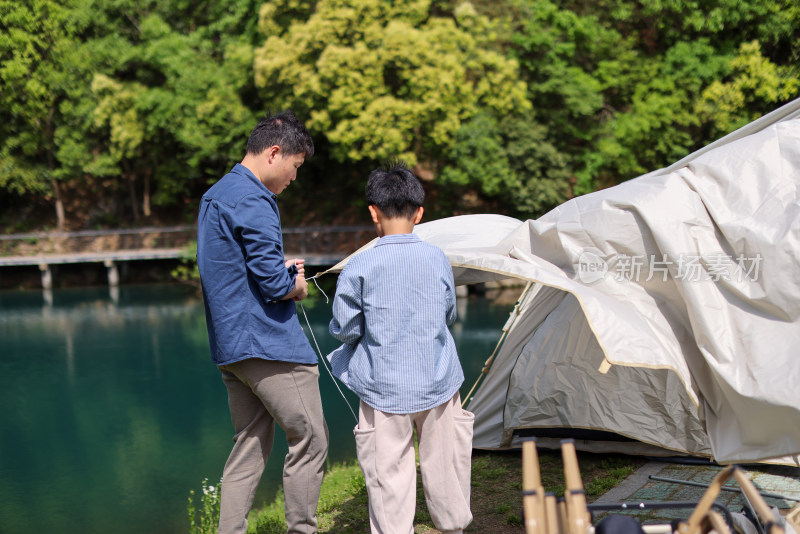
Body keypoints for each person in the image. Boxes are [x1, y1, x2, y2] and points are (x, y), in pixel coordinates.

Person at [196, 110, 329, 534]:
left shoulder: (217, 193)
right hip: (269, 345)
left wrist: (277, 270)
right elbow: (275, 285)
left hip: (231, 347)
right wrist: (298, 283)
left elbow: (233, 267)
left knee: (249, 446)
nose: (294, 179)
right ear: (275, 153)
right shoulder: (255, 198)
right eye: (295, 167)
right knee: (311, 439)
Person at [327, 162, 474, 534]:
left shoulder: (358, 266)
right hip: (438, 379)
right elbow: (448, 314)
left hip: (382, 386)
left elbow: (344, 330)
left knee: (388, 477)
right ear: (420, 213)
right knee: (447, 469)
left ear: (373, 212)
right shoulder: (437, 258)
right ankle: (453, 527)